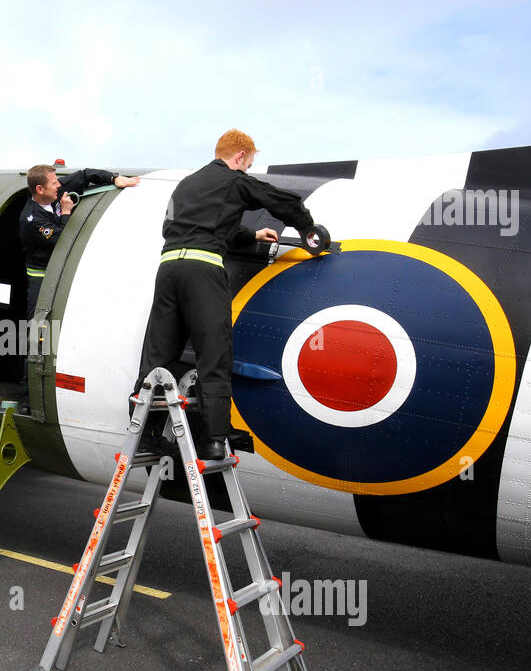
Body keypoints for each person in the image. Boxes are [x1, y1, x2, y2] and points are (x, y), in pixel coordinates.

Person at [134, 128, 315, 461]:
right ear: (240, 156)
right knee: (214, 351)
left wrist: (249, 235)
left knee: (159, 353)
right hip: (202, 272)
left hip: (169, 268)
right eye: (248, 163)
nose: (247, 169)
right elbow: (279, 200)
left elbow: (197, 225)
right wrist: (308, 227)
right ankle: (215, 437)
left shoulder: (186, 185)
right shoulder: (235, 180)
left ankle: (144, 434)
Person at [19, 164, 140, 320]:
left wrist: (115, 178)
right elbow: (62, 240)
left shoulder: (57, 189)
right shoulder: (31, 219)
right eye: (54, 183)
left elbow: (85, 175)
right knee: (38, 317)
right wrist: (66, 212)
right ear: (40, 189)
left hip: (62, 266)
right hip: (41, 273)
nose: (59, 185)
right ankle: (33, 343)